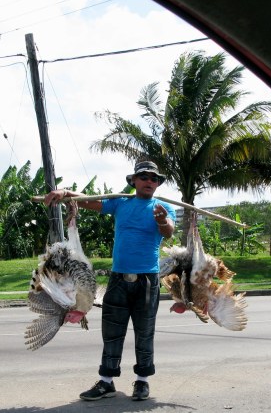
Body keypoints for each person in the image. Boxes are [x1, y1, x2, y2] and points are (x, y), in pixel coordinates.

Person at [44, 160, 176, 402]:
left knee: (144, 332)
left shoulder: (164, 207)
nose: (149, 181)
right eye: (144, 177)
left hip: (147, 280)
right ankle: (106, 382)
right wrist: (64, 193)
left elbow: (168, 231)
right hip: (118, 279)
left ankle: (142, 381)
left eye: (154, 178)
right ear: (133, 181)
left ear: (157, 184)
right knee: (112, 332)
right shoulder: (120, 202)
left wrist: (161, 220)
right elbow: (88, 199)